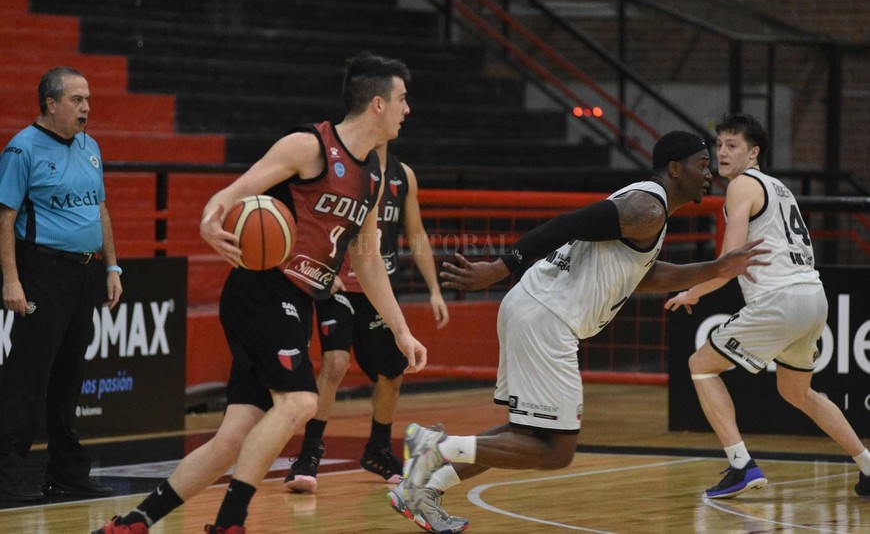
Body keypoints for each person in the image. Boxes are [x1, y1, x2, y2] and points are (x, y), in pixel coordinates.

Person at [93, 52, 428, 534]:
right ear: (377, 104)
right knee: (301, 402)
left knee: (233, 437)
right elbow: (233, 192)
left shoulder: (374, 177)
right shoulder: (310, 146)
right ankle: (229, 524)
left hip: (297, 301)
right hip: (263, 287)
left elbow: (368, 260)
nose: (407, 109)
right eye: (402, 99)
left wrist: (402, 330)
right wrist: (209, 219)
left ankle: (133, 523)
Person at [388, 131, 770, 533]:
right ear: (675, 169)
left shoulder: (647, 209)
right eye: (702, 165)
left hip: (535, 309)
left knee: (526, 433)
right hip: (548, 318)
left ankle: (421, 490)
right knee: (556, 451)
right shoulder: (647, 207)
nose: (709, 174)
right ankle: (435, 446)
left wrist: (715, 269)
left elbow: (646, 276)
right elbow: (565, 223)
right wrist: (498, 268)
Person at [663, 114, 870, 499]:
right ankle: (869, 465)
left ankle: (741, 464)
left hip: (780, 299)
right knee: (797, 392)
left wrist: (693, 292)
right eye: (720, 145)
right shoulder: (778, 187)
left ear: (754, 152)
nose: (723, 153)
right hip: (813, 297)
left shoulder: (742, 185)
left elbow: (730, 262)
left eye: (733, 145)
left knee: (701, 366)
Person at [284, 142, 449, 493]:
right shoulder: (343, 169)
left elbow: (416, 233)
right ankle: (309, 453)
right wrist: (322, 267)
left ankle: (378, 450)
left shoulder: (403, 176)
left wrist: (434, 288)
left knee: (392, 373)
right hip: (339, 285)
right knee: (335, 363)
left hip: (378, 289)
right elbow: (312, 220)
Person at [0, 66, 123, 503]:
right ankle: (5, 476)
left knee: (70, 374)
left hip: (83, 272)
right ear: (51, 104)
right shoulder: (22, 149)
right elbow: (5, 218)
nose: (86, 107)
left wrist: (113, 268)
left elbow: (100, 210)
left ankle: (67, 472)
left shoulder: (90, 146)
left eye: (87, 99)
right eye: (76, 99)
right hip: (42, 271)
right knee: (28, 375)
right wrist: (11, 280)